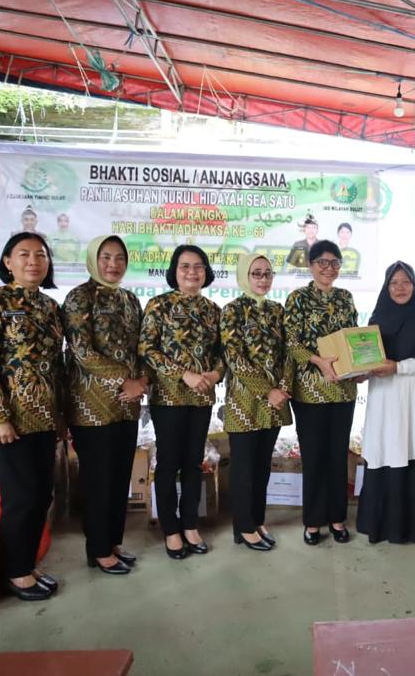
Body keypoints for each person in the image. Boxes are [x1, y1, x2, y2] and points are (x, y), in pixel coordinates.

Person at [0, 232, 64, 600]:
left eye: (40, 255)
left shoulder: (48, 307)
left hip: (43, 418)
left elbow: (56, 366)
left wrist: (59, 417)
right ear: (7, 262)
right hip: (9, 422)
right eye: (23, 254)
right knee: (20, 497)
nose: (33, 261)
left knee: (41, 495)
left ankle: (26, 563)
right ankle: (15, 572)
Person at [62, 235, 147, 575]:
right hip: (91, 406)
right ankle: (98, 549)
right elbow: (82, 352)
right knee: (98, 480)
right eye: (106, 257)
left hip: (127, 405)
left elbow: (140, 347)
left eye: (119, 258)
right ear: (93, 260)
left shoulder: (129, 299)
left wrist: (141, 382)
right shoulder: (79, 297)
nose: (113, 264)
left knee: (118, 477)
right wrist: (122, 380)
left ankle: (112, 542)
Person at [139, 245, 224, 560]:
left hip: (202, 396)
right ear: (174, 271)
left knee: (193, 462)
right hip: (169, 397)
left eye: (198, 266)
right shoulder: (158, 306)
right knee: (169, 463)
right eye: (186, 266)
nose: (192, 272)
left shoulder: (213, 310)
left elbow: (221, 353)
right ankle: (171, 529)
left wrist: (216, 373)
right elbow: (147, 349)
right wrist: (183, 374)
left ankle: (190, 524)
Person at [357, 261, 415, 543]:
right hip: (385, 398)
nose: (400, 288)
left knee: (414, 447)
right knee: (388, 447)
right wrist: (359, 372)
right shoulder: (377, 319)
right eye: (394, 283)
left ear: (414, 285)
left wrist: (398, 367)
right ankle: (384, 524)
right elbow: (368, 360)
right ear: (387, 287)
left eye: (405, 282)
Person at [284, 240, 359, 545]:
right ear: (311, 265)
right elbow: (291, 342)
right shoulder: (298, 298)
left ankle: (337, 518)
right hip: (310, 390)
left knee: (337, 456)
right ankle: (313, 521)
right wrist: (317, 359)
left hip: (343, 389)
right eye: (322, 263)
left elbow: (353, 338)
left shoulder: (345, 297)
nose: (328, 269)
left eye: (334, 263)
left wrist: (362, 365)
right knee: (314, 456)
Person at [221, 253, 292, 552]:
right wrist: (268, 391)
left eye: (267, 273)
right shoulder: (232, 311)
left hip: (274, 402)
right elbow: (234, 358)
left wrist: (284, 387)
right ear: (244, 276)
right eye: (256, 273)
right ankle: (244, 527)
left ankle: (257, 520)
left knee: (263, 466)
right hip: (244, 401)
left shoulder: (278, 311)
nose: (263, 279)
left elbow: (289, 353)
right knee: (244, 467)